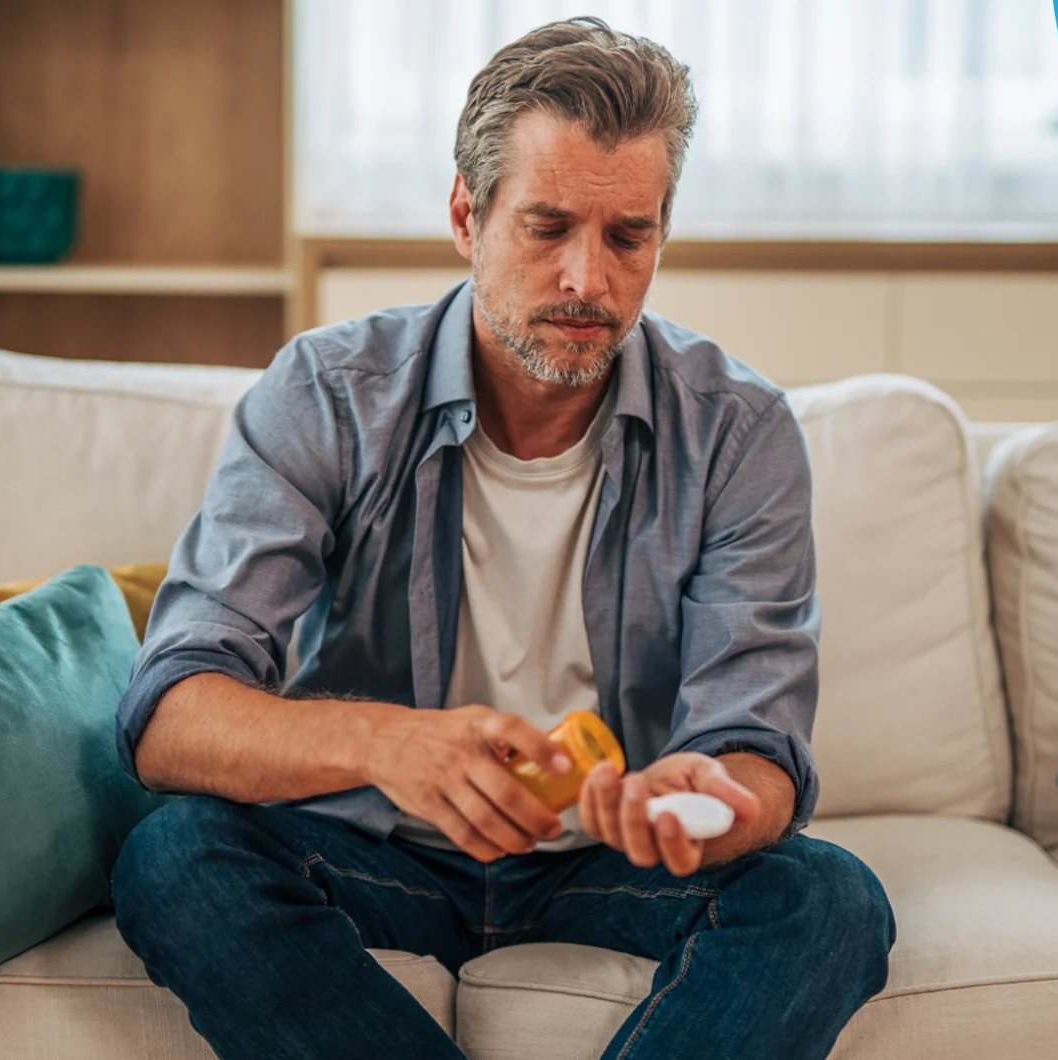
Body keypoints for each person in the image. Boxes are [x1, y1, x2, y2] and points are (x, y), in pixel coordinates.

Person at [109, 17, 895, 1060]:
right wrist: (388, 743)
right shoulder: (329, 395)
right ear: (465, 213)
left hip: (610, 859)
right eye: (547, 226)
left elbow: (759, 754)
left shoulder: (738, 432)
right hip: (375, 839)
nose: (587, 281)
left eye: (628, 237)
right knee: (174, 858)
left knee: (827, 898)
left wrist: (705, 798)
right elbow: (169, 715)